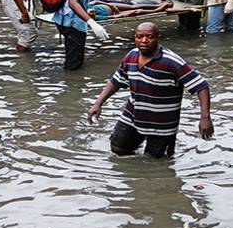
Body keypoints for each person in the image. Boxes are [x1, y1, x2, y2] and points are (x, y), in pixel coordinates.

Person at [87, 22, 213, 158]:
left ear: (157, 38)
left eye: (149, 36)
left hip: (162, 123)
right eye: (140, 37)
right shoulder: (131, 56)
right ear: (135, 38)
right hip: (133, 114)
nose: (144, 40)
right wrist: (98, 103)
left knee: (155, 161)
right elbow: (116, 81)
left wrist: (205, 117)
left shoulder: (171, 62)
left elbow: (201, 86)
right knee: (118, 149)